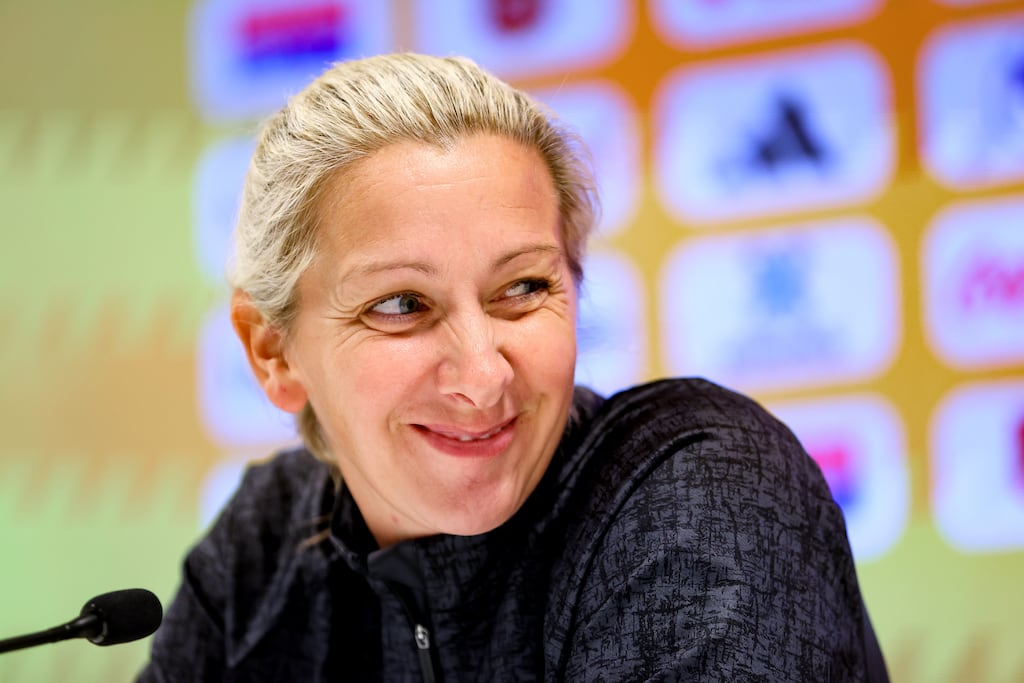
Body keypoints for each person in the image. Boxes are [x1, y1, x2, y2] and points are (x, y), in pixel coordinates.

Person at [139, 52, 888, 681]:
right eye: (401, 304)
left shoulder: (706, 487)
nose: (483, 375)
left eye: (523, 288)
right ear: (272, 352)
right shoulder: (264, 544)